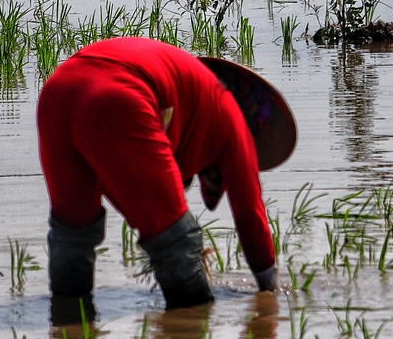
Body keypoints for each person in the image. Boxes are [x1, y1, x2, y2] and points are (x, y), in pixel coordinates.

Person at [37, 36, 296, 311]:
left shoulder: (192, 98)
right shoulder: (232, 115)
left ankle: (67, 334)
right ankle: (188, 337)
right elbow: (249, 211)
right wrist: (269, 288)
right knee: (177, 239)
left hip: (57, 93)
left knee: (74, 229)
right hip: (121, 95)